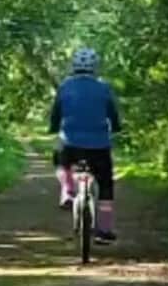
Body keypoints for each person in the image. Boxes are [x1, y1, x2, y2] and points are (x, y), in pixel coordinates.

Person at [49, 46, 121, 243]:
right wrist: (116, 127)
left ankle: (68, 190)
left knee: (60, 160)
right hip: (99, 145)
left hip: (70, 142)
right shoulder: (103, 87)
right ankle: (104, 229)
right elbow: (113, 113)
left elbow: (56, 113)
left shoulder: (65, 87)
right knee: (105, 183)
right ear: (95, 67)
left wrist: (53, 127)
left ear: (73, 66)